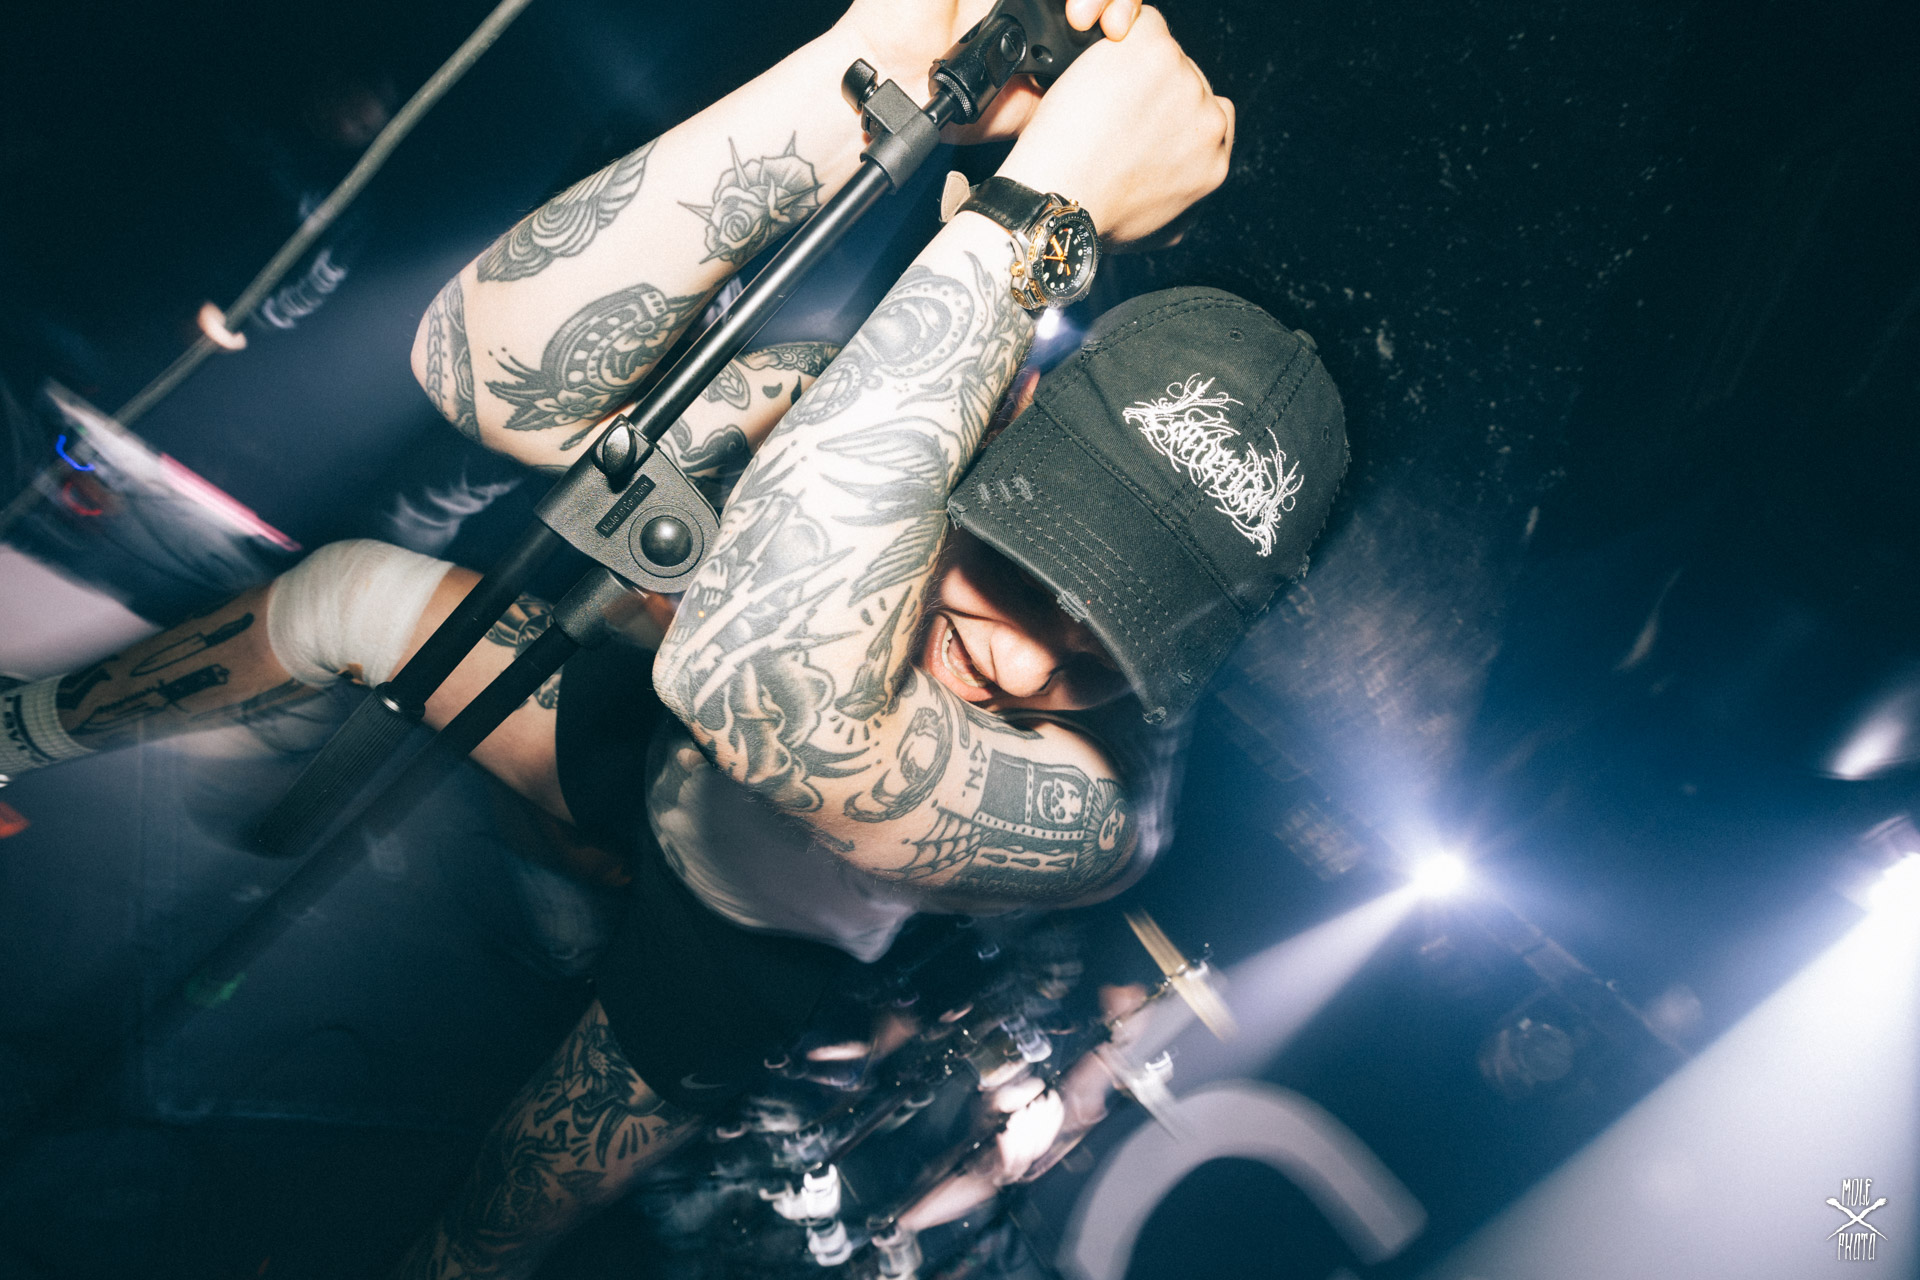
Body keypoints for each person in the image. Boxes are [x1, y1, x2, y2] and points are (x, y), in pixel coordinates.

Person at [1, 1, 1345, 1272]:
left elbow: (771, 695)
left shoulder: (1108, 816)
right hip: (654, 749)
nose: (1029, 662)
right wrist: (873, 58)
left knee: (490, 1226)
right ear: (1009, 414)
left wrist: (1031, 219)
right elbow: (490, 372)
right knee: (343, 597)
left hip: (741, 943)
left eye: (1110, 640)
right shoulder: (896, 417)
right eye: (1030, 561)